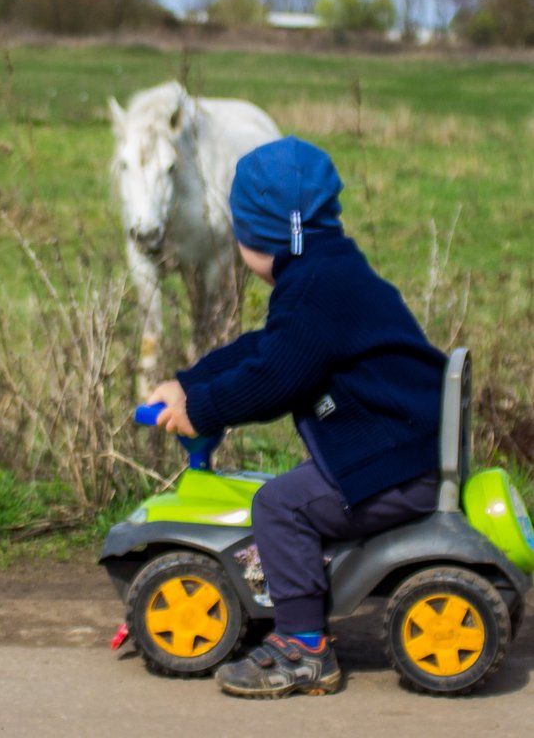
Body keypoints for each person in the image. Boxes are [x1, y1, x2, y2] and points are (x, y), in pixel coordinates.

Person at [148, 136, 445, 699]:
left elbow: (274, 378)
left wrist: (203, 409)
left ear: (254, 238)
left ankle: (303, 647)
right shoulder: (327, 267)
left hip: (392, 464)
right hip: (401, 441)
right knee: (291, 494)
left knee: (281, 507)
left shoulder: (311, 291)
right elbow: (270, 349)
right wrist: (190, 383)